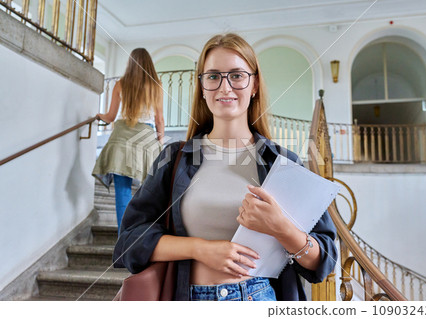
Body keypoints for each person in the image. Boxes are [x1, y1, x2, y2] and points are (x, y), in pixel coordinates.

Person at [113, 34, 337, 301]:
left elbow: (324, 260)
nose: (225, 87)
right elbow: (129, 241)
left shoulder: (283, 162)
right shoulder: (174, 158)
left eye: (237, 75)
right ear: (203, 88)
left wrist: (281, 228)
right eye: (213, 76)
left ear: (254, 84)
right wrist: (200, 249)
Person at [92, 48, 164, 232]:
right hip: (146, 140)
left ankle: (124, 236)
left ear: (130, 63)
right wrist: (160, 142)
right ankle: (145, 232)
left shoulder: (120, 84)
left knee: (122, 192)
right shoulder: (156, 86)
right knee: (149, 191)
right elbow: (159, 120)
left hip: (122, 138)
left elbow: (110, 116)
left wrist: (98, 115)